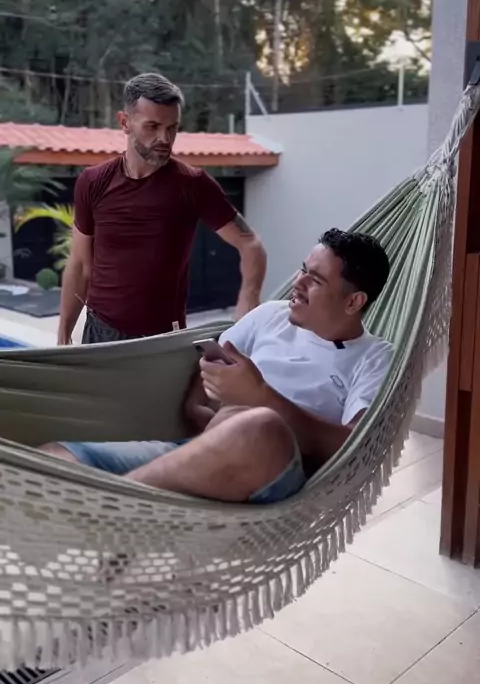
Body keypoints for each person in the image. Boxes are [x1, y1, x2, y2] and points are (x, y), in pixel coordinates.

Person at [41, 229, 394, 505]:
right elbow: (211, 366)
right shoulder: (270, 316)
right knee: (55, 458)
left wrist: (261, 398)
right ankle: (130, 511)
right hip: (205, 449)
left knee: (261, 427)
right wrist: (204, 412)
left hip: (279, 473)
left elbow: (358, 446)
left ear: (354, 301)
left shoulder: (374, 358)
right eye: (303, 269)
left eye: (315, 279)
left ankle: (117, 505)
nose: (297, 282)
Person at [58, 72, 267, 345]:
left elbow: (251, 245)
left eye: (172, 128)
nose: (164, 138)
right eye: (153, 126)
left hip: (164, 338)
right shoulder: (93, 181)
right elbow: (80, 265)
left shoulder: (193, 184)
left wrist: (248, 299)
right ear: (125, 122)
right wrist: (64, 332)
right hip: (101, 333)